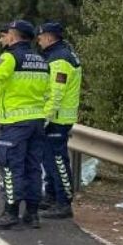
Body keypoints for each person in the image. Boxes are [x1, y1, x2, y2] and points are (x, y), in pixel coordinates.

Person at [0, 20, 50, 229]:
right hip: (37, 121)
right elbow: (48, 90)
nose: (6, 37)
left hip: (15, 122)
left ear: (13, 36)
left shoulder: (10, 57)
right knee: (33, 168)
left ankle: (10, 213)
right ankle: (32, 214)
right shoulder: (40, 59)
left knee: (11, 167)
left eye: (8, 34)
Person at [38, 21, 82, 219]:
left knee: (58, 161)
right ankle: (51, 197)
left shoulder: (60, 59)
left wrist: (45, 118)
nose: (38, 40)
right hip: (56, 116)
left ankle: (64, 203)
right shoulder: (60, 54)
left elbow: (56, 92)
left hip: (58, 118)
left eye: (40, 37)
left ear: (49, 37)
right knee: (49, 160)